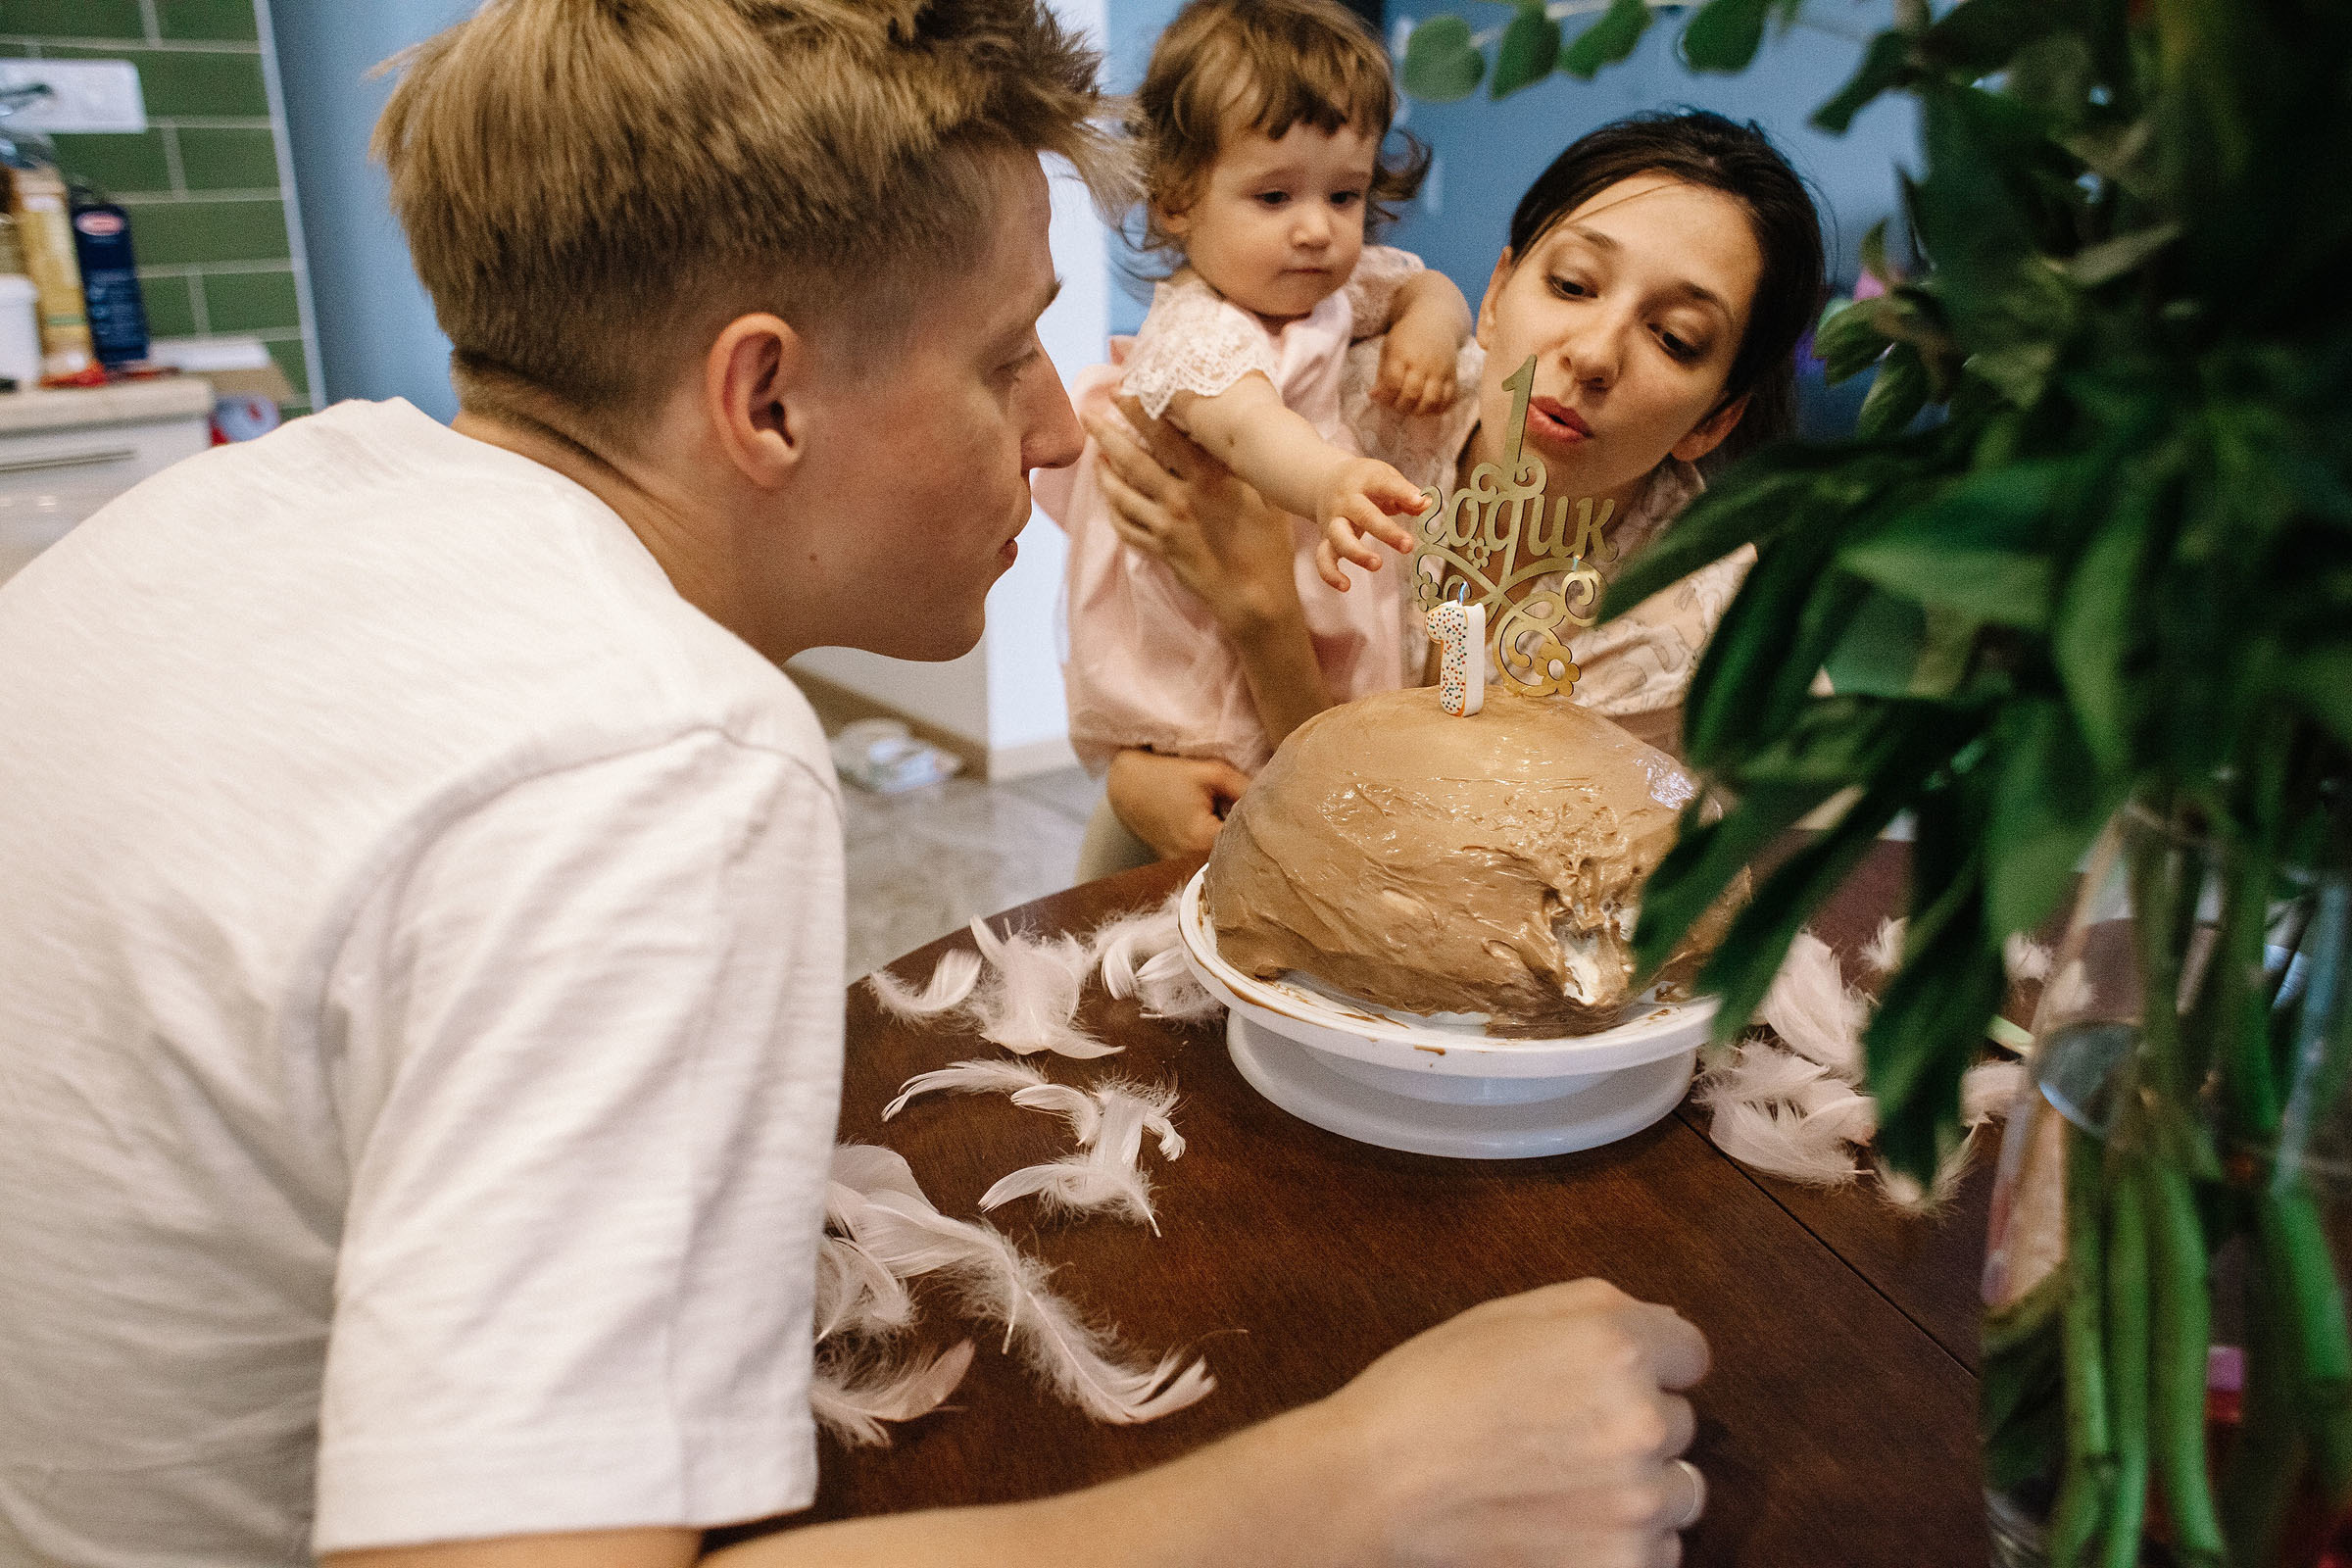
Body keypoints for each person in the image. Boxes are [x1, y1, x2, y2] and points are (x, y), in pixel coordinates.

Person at [0, 3, 1708, 1564]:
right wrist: (1360, 1486)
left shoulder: (227, 500)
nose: (1057, 429)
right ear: (766, 397)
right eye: (1006, 356)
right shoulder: (654, 767)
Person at [1085, 111, 1827, 869]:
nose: (1594, 354)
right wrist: (1128, 770)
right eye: (1572, 285)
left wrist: (1264, 619)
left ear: (1714, 420)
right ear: (1498, 292)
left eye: (1674, 337)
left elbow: (1422, 877)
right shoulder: (1344, 402)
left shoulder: (1695, 630)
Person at [1037, 0, 1473, 790]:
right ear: (1175, 199)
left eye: (1343, 195)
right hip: (1212, 604)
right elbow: (1247, 430)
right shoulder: (1195, 328)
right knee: (1221, 776)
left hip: (1291, 571)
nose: (1318, 230)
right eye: (1275, 198)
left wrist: (1427, 332)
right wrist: (1331, 482)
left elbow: (1427, 285)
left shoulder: (1334, 291)